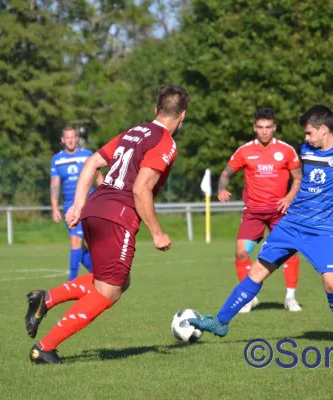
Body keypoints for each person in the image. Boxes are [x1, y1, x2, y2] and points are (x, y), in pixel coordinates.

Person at [189, 104, 333, 344]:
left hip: (323, 230)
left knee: (332, 283)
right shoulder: (307, 150)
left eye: (309, 132)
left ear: (323, 130)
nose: (306, 138)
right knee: (257, 271)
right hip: (291, 224)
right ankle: (220, 322)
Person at [24, 84, 190, 364]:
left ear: (155, 110)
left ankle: (46, 298)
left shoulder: (133, 132)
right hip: (117, 216)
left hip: (94, 209)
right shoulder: (165, 142)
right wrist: (158, 233)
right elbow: (140, 189)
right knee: (110, 291)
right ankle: (45, 347)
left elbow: (92, 163)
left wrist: (78, 205)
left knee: (117, 281)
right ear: (182, 116)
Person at [218, 108, 303, 313]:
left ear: (274, 127)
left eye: (268, 127)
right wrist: (222, 188)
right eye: (260, 127)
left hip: (279, 211)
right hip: (253, 212)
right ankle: (248, 298)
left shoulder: (287, 150)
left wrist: (289, 197)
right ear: (254, 128)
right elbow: (226, 173)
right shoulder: (244, 151)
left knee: (290, 251)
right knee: (241, 253)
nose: (264, 131)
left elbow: (298, 178)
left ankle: (290, 298)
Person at [50, 127, 104, 280]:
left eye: (73, 137)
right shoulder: (57, 159)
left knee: (77, 241)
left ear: (77, 139)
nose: (71, 140)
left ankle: (71, 282)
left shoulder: (87, 155)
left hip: (89, 204)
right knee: (79, 245)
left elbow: (99, 178)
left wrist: (106, 199)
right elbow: (54, 185)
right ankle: (97, 276)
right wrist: (55, 207)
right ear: (63, 140)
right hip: (69, 207)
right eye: (67, 137)